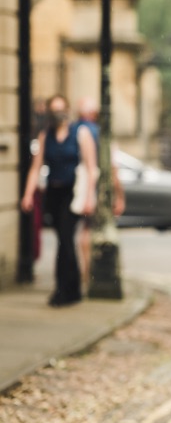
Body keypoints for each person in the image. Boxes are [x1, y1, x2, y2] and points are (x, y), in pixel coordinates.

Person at [20, 93, 97, 306]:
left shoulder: (80, 133)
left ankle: (63, 290)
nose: (58, 113)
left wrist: (90, 198)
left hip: (72, 194)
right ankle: (73, 289)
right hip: (53, 194)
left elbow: (91, 168)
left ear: (68, 109)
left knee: (65, 239)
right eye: (54, 109)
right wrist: (27, 194)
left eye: (61, 108)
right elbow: (35, 168)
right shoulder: (46, 135)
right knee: (64, 240)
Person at [75, 97, 125, 283]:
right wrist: (119, 196)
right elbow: (113, 170)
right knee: (93, 229)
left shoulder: (78, 131)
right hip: (97, 189)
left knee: (86, 230)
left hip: (80, 188)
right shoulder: (101, 134)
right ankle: (90, 272)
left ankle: (86, 271)